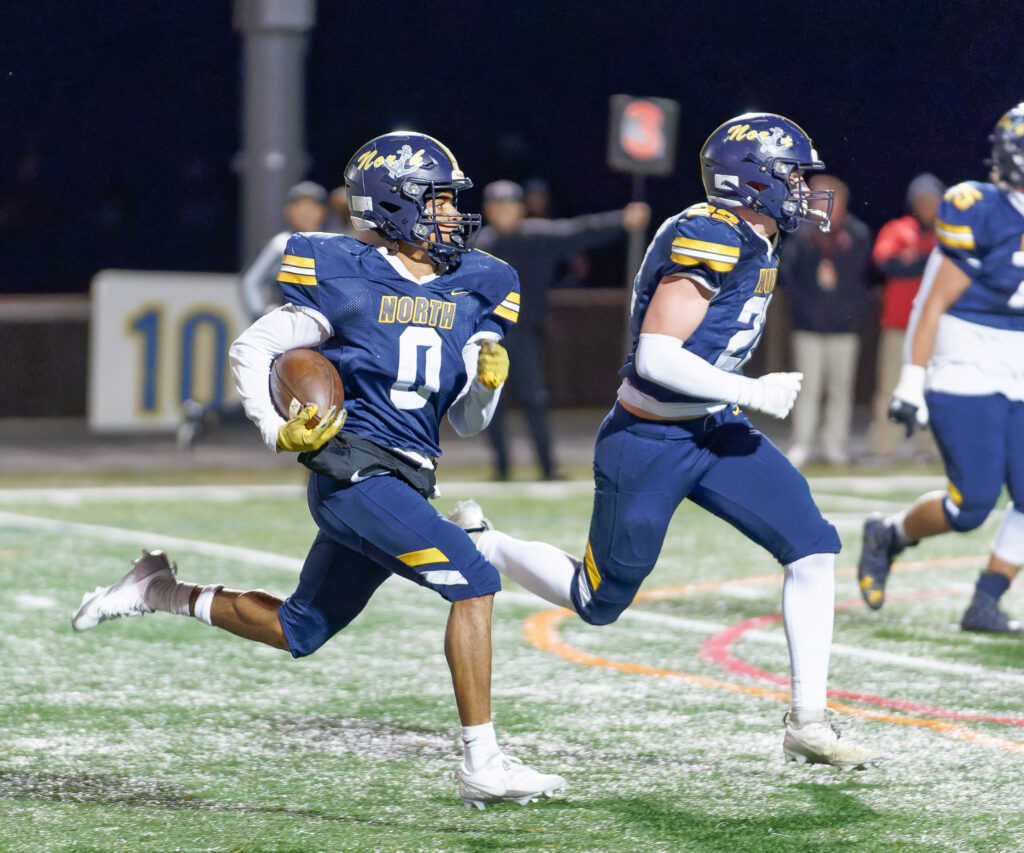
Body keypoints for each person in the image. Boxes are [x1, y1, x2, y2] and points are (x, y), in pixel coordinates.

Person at [72, 131, 567, 810]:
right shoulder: (340, 270)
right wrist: (278, 430)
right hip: (353, 473)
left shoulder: (479, 283)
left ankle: (159, 590)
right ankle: (483, 759)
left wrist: (485, 386)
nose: (454, 214)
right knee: (473, 579)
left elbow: (470, 422)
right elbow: (254, 348)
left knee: (300, 629)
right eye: (440, 200)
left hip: (409, 473)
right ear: (396, 206)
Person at [451, 113, 881, 769]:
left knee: (813, 544)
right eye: (793, 174)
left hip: (713, 429)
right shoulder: (709, 233)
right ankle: (488, 545)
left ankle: (809, 721)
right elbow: (655, 355)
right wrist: (753, 390)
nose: (804, 188)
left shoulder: (755, 233)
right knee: (598, 603)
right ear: (752, 179)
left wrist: (735, 399)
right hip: (649, 436)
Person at [857, 104, 1024, 633]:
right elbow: (932, 303)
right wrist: (912, 381)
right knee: (971, 503)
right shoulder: (976, 205)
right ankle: (890, 533)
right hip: (967, 354)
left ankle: (986, 600)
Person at [473, 179, 650, 480]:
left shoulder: (537, 236)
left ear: (520, 209)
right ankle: (501, 470)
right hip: (487, 339)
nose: (503, 212)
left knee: (535, 400)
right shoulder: (477, 246)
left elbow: (581, 230)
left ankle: (547, 468)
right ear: (488, 210)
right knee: (490, 404)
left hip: (526, 334)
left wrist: (622, 219)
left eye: (509, 205)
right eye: (498, 206)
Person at [779, 175, 874, 467]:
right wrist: (806, 311)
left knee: (840, 388)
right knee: (808, 388)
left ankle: (835, 444)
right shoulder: (800, 235)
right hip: (808, 326)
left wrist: (851, 311)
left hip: (844, 328)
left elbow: (863, 280)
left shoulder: (856, 234)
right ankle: (803, 443)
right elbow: (789, 280)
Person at [865, 174, 944, 463]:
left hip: (938, 326)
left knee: (935, 389)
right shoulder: (898, 229)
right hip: (899, 323)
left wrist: (919, 259)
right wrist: (927, 260)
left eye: (932, 199)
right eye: (921, 200)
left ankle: (929, 448)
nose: (927, 205)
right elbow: (889, 264)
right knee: (889, 387)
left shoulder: (949, 231)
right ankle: (883, 448)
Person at [238, 180, 331, 322]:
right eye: (300, 207)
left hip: (323, 323)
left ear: (322, 212)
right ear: (288, 211)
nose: (306, 213)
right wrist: (258, 315)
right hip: (285, 322)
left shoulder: (332, 244)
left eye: (312, 207)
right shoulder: (280, 244)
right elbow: (250, 281)